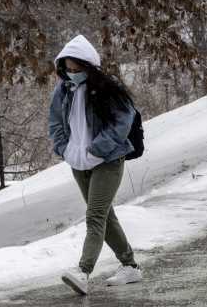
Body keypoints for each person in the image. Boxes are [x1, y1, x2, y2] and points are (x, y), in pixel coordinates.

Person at [48, 35, 142, 295]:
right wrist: (64, 149)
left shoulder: (107, 89)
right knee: (106, 216)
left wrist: (96, 149)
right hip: (77, 162)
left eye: (77, 69)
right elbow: (55, 122)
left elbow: (123, 121)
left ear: (89, 66)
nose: (72, 73)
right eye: (68, 68)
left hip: (108, 160)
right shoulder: (63, 89)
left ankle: (83, 271)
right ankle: (130, 266)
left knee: (95, 215)